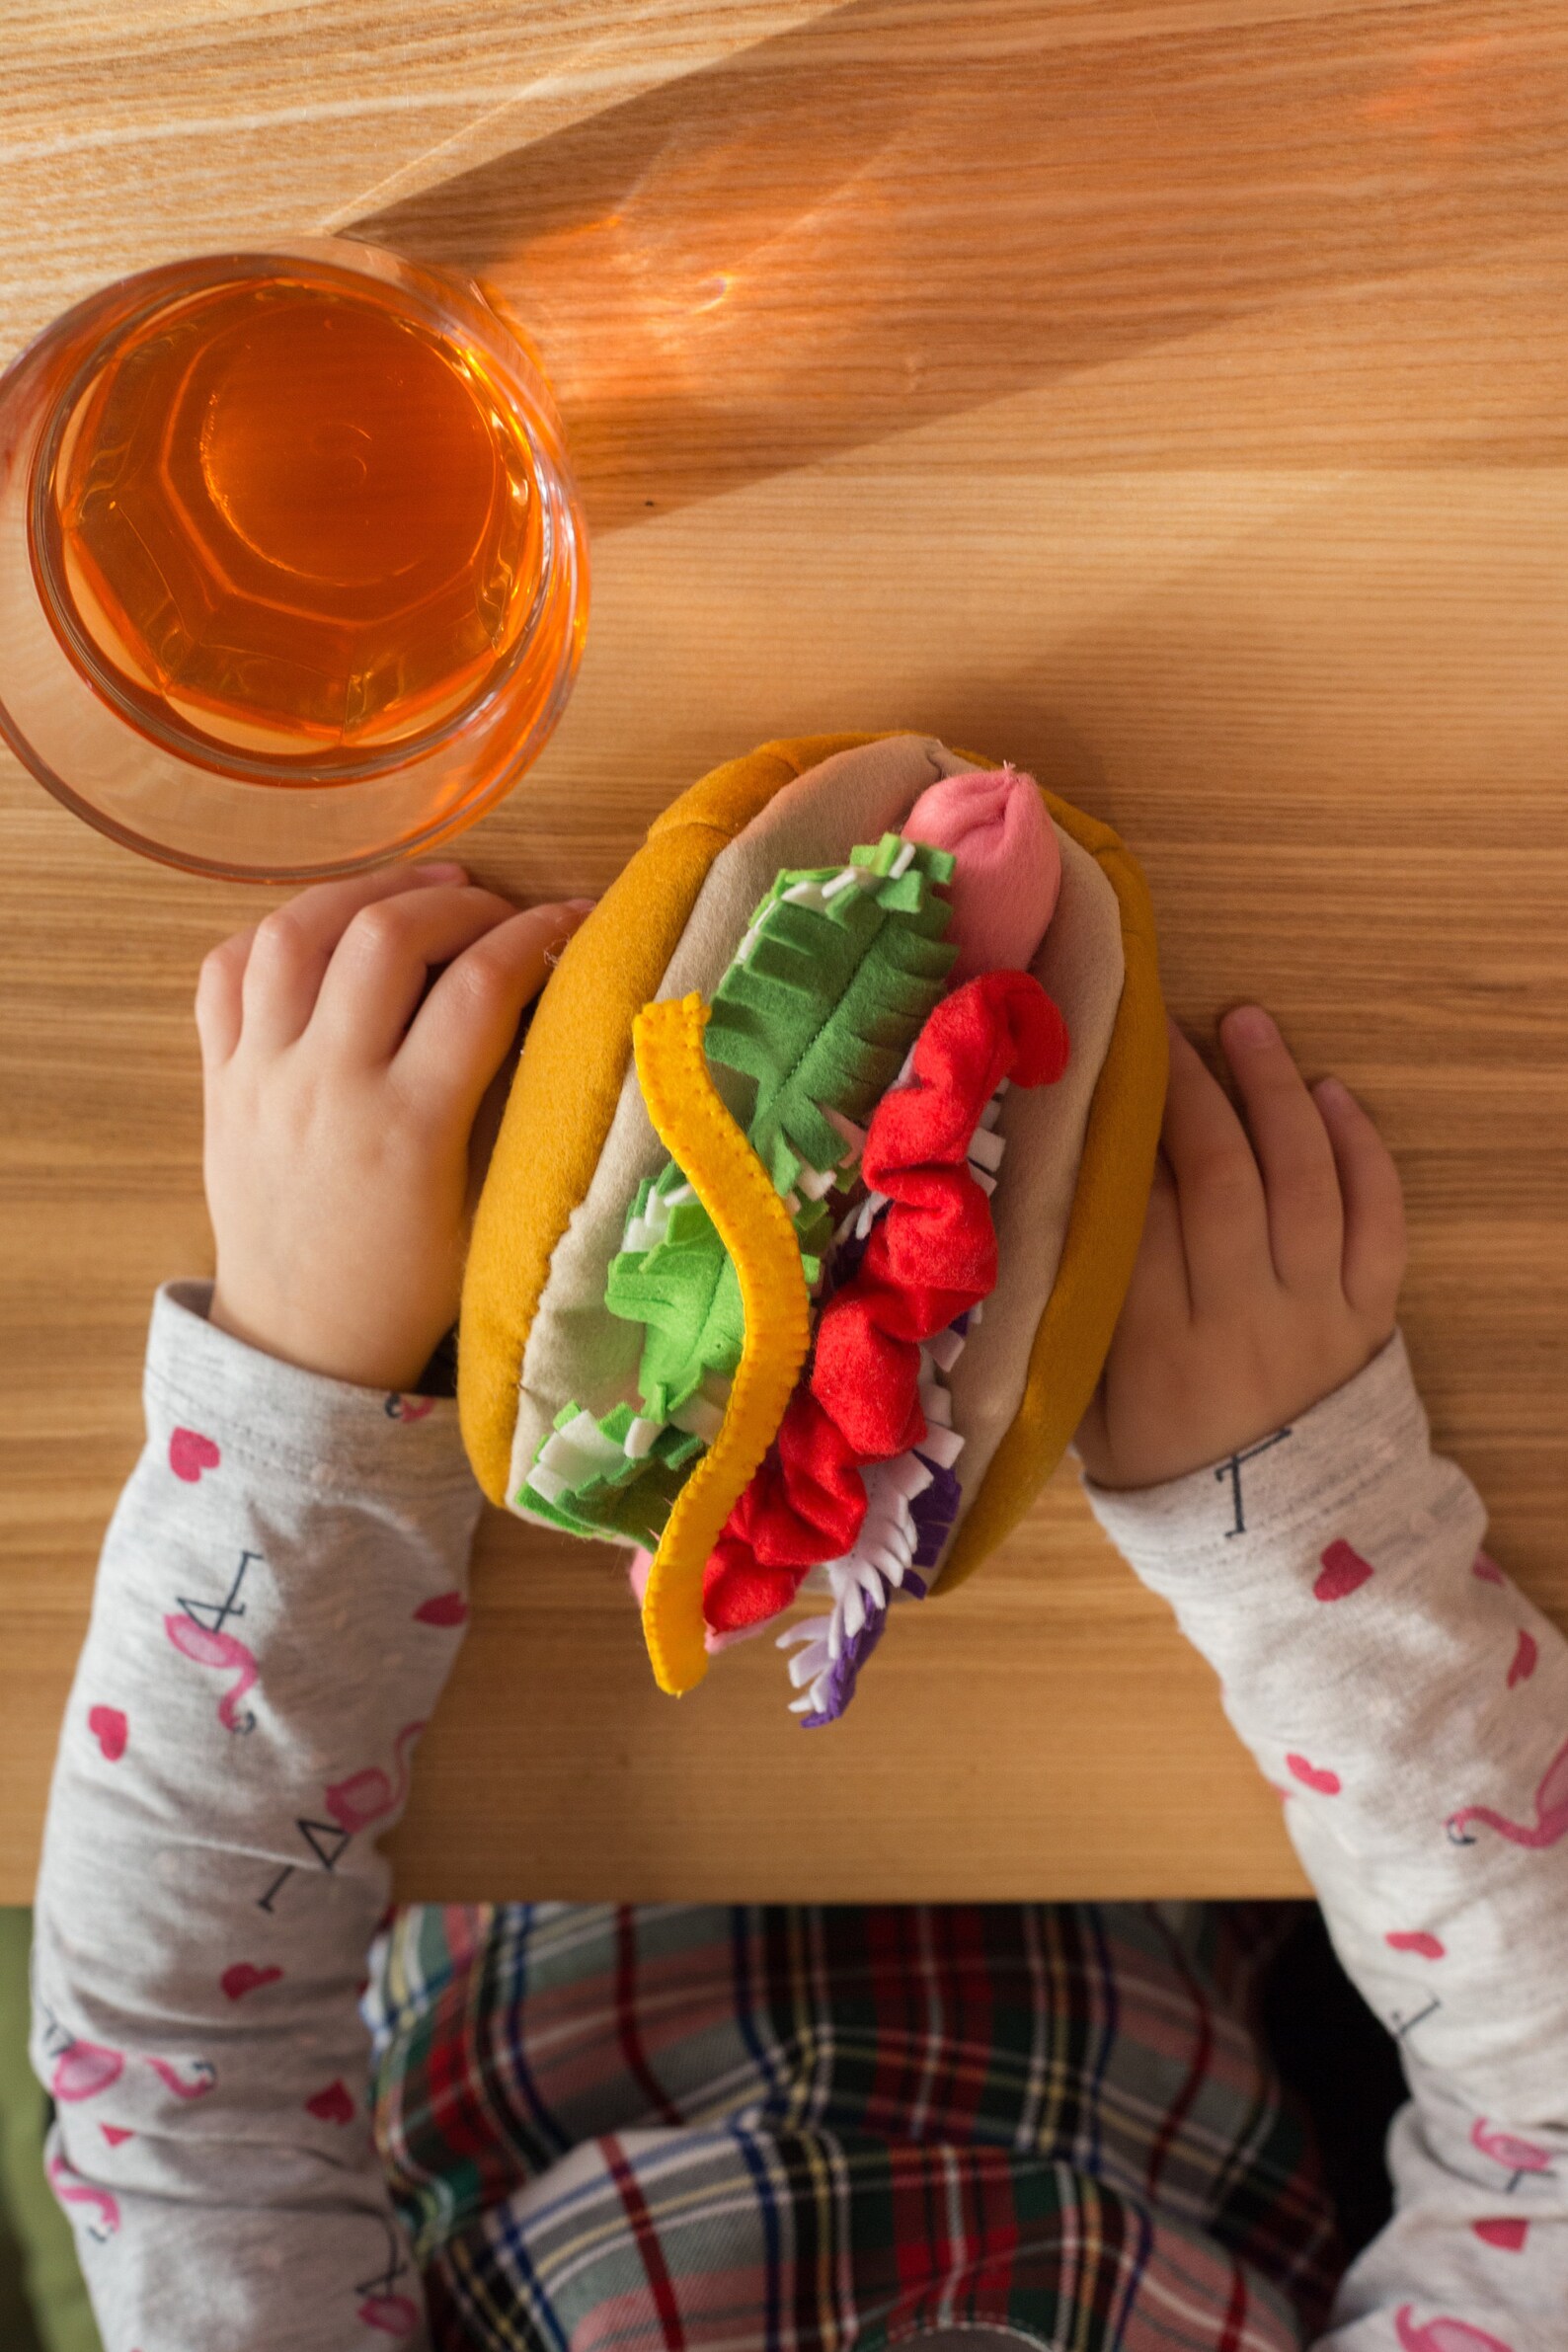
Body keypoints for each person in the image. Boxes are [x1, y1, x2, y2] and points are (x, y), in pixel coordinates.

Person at [27, 862, 1565, 2352]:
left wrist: (311, 1381)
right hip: (1155, 1845)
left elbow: (181, 2069)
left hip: (523, 1818)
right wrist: (1288, 1523)